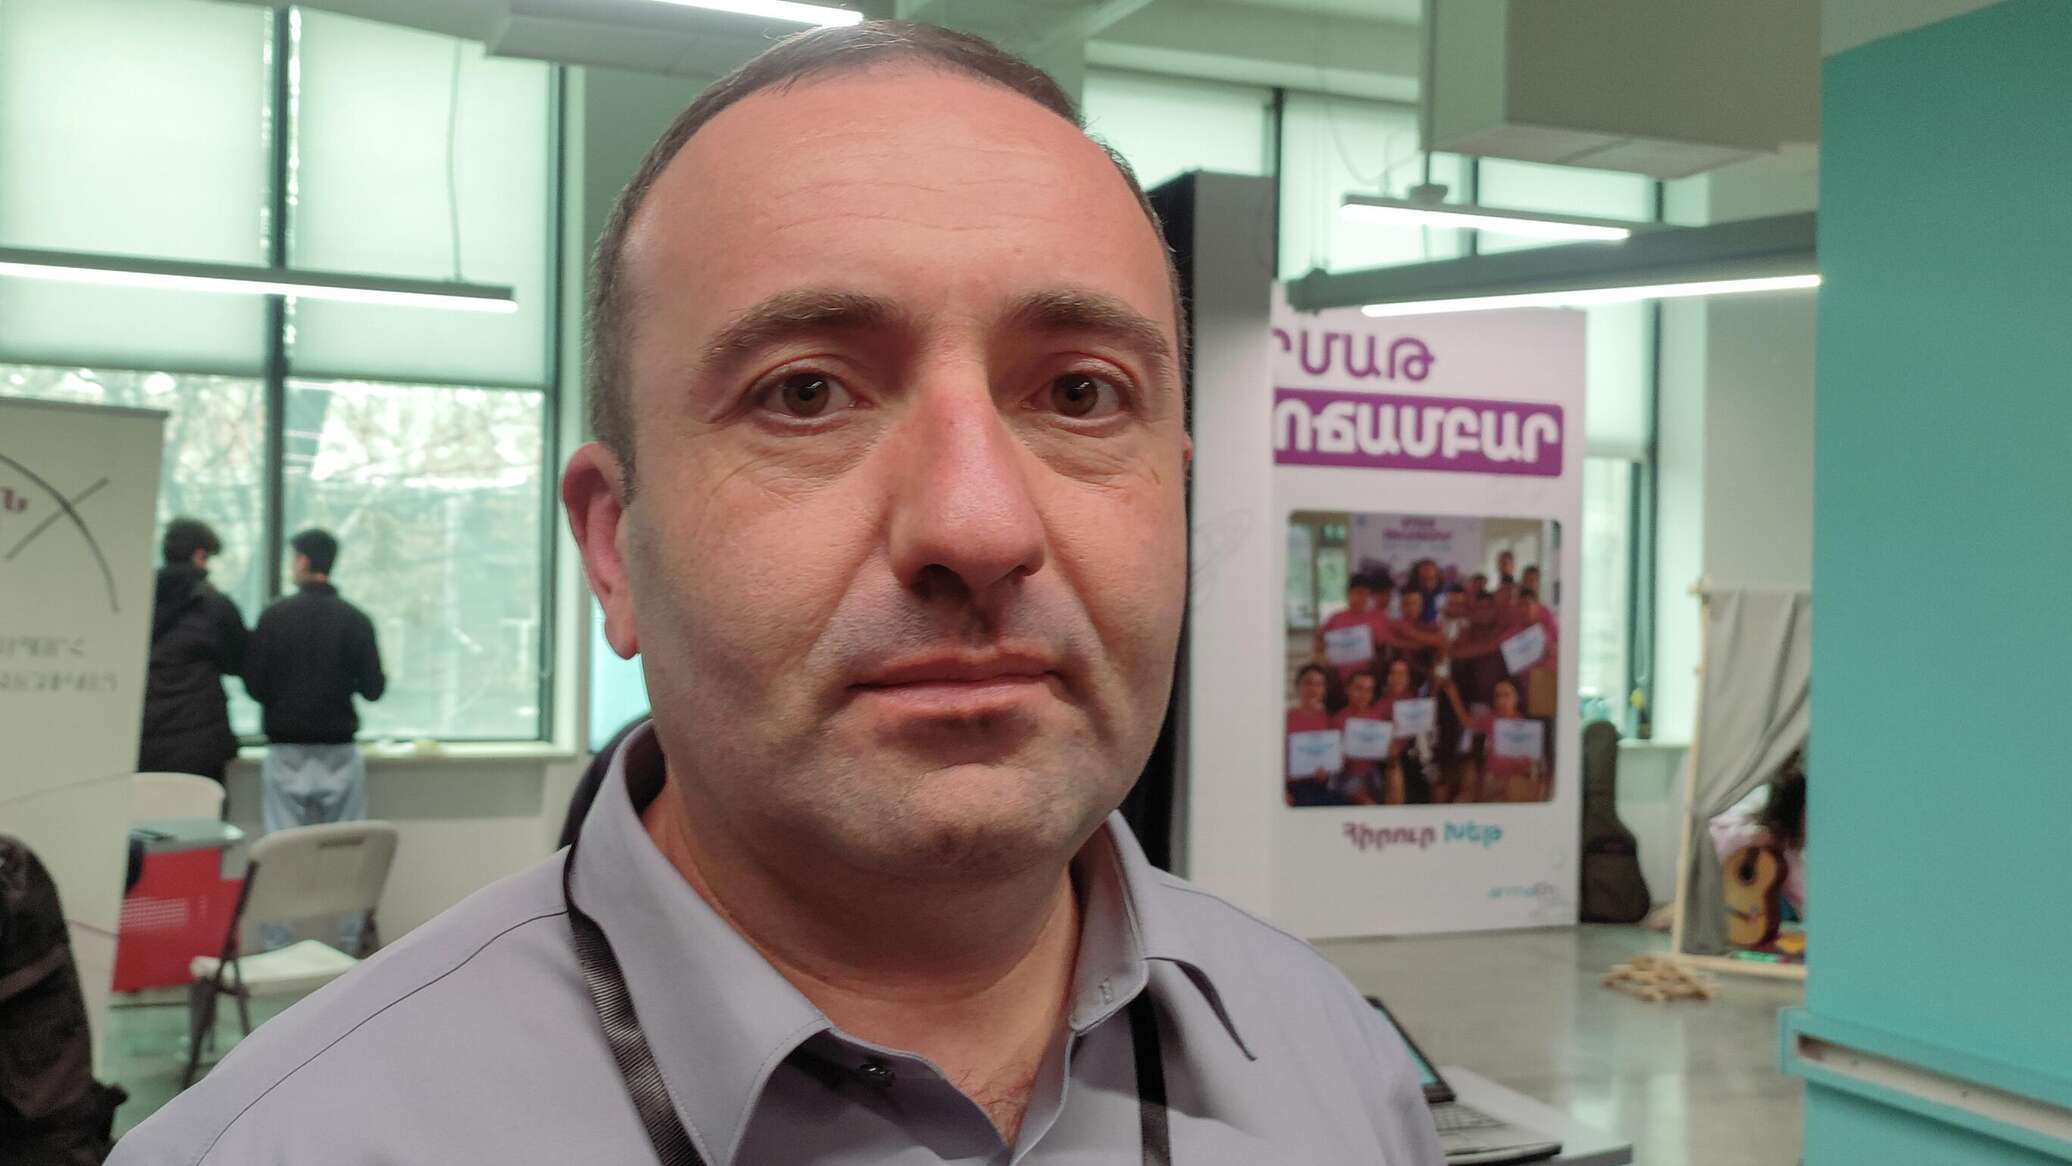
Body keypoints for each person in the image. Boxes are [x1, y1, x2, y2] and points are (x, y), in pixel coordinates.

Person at [117, 22, 1442, 1165]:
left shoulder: (1336, 1074)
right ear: (611, 547)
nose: (978, 524)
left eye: (1081, 392)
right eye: (806, 392)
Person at [241, 529, 385, 843]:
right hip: (339, 749)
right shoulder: (356, 620)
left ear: (303, 561)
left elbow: (253, 684)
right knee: (344, 847)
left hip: (286, 748)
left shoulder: (274, 616)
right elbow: (373, 689)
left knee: (283, 849)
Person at [138, 518, 247, 788]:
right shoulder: (215, 605)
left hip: (144, 739)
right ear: (199, 555)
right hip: (201, 745)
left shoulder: (138, 601)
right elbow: (239, 661)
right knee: (203, 811)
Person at [1285, 663, 1341, 806]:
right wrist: (1281, 791)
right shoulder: (1284, 718)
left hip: (1319, 786)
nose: (1313, 689)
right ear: (1298, 686)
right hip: (1291, 788)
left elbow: (1331, 764)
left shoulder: (1329, 719)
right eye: (1308, 683)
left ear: (1324, 690)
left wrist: (1326, 775)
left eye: (1319, 684)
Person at [1331, 668, 1387, 805]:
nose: (1364, 695)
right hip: (1347, 775)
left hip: (1372, 771)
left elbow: (1383, 752)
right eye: (1359, 688)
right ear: (1347, 690)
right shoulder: (1337, 720)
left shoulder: (1377, 716)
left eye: (1369, 690)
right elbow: (1334, 762)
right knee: (1368, 803)